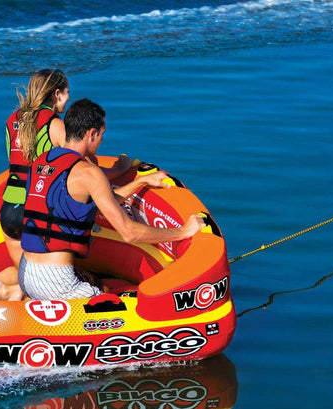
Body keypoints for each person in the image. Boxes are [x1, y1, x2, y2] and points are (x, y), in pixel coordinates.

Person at [0, 71, 133, 300]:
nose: (68, 98)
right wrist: (120, 170)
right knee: (37, 281)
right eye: (67, 93)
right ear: (56, 94)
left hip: (8, 208)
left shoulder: (13, 120)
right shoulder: (53, 123)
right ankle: (2, 293)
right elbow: (78, 163)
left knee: (25, 274)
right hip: (34, 207)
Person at [18, 98, 205, 300]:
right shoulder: (89, 173)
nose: (101, 140)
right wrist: (182, 232)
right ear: (91, 133)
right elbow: (129, 232)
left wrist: (141, 182)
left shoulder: (42, 161)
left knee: (102, 286)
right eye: (101, 134)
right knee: (121, 302)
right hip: (56, 281)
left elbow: (103, 201)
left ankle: (13, 293)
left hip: (26, 272)